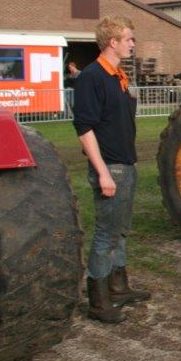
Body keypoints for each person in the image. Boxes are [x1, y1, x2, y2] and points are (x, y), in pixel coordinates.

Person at [73, 16, 150, 323]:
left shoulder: (117, 75)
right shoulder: (92, 77)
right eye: (128, 38)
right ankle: (98, 300)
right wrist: (103, 172)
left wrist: (129, 161)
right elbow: (84, 129)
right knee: (106, 234)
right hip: (110, 167)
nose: (132, 43)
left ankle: (118, 287)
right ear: (112, 42)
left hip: (124, 164)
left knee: (121, 231)